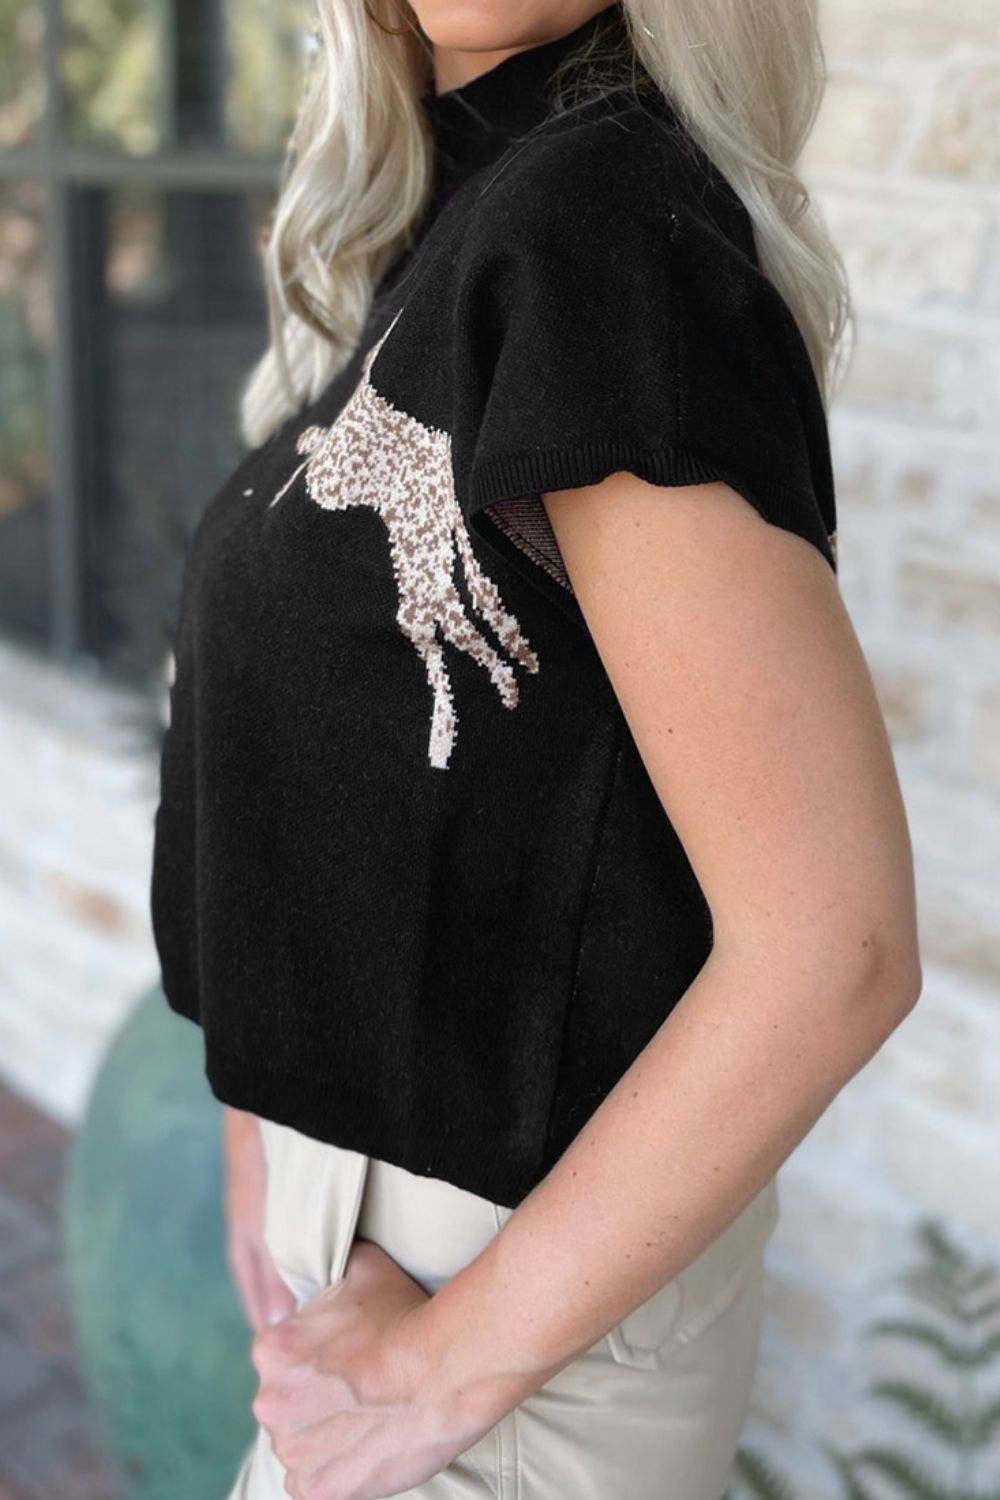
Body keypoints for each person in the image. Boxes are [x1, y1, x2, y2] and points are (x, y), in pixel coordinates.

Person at [149, 2, 923, 1497]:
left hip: (501, 1322)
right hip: (405, 1271)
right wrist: (265, 1107)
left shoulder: (597, 227)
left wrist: (448, 1365)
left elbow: (833, 947)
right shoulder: (453, 213)